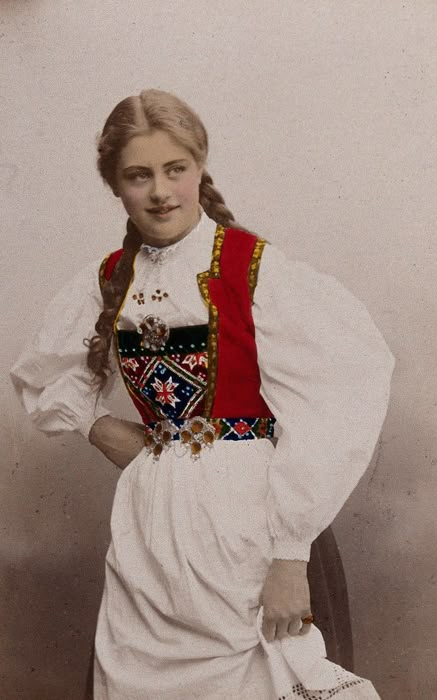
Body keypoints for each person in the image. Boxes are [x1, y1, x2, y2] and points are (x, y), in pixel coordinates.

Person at [10, 88, 395, 700]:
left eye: (175, 169)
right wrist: (95, 425)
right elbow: (39, 373)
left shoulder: (254, 268)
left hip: (250, 523)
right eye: (139, 175)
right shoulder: (108, 278)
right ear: (115, 185)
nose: (161, 191)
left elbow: (346, 386)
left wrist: (291, 553)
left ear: (199, 167)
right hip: (151, 529)